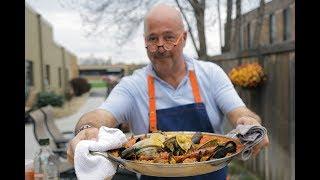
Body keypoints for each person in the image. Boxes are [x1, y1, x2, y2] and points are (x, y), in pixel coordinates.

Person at [67, 4, 269, 180]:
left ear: (184, 38)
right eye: (153, 38)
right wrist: (88, 129)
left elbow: (240, 112)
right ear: (144, 40)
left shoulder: (211, 74)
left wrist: (249, 123)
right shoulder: (132, 85)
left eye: (169, 37)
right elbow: (102, 115)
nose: (160, 47)